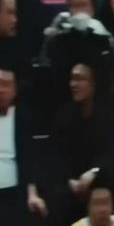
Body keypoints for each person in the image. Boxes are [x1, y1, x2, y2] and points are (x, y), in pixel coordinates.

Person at [52, 61, 114, 224]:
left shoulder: (108, 117)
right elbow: (58, 157)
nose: (74, 84)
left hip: (101, 178)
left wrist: (94, 172)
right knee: (59, 195)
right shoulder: (64, 117)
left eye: (80, 79)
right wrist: (70, 181)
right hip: (74, 183)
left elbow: (113, 153)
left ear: (93, 84)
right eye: (72, 79)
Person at [0, 67, 48, 224]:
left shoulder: (22, 117)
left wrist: (32, 194)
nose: (1, 90)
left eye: (6, 84)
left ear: (14, 91)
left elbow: (29, 158)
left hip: (13, 193)